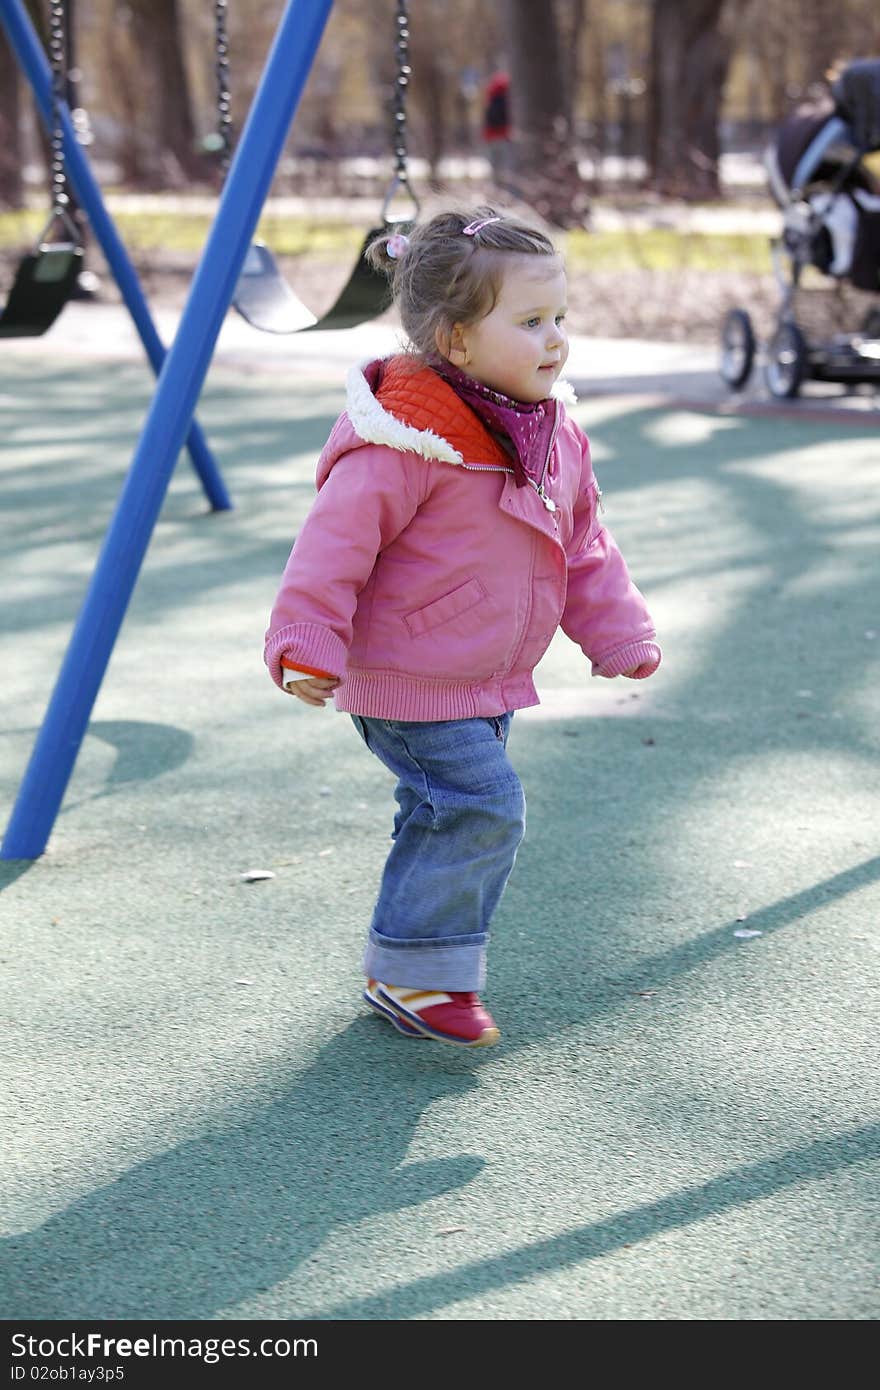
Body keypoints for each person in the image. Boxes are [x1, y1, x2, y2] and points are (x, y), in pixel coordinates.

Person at [264, 208, 661, 1049]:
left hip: (486, 674)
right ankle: (420, 973)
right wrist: (306, 644)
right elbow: (331, 549)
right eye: (529, 322)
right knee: (483, 806)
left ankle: (397, 964)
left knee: (437, 810)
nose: (556, 340)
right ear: (456, 340)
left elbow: (581, 543)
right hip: (408, 676)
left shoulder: (552, 434)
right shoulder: (403, 444)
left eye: (560, 318)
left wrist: (616, 632)